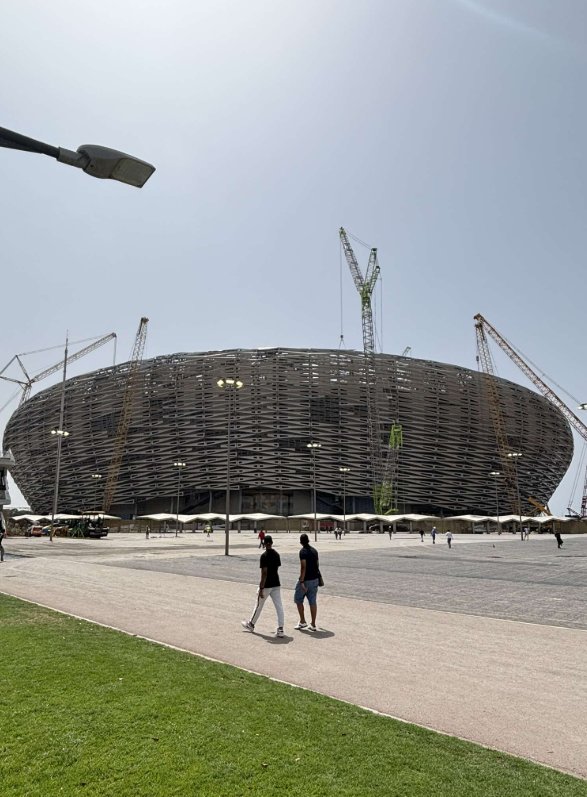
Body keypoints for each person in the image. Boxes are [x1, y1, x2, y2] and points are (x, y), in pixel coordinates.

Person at [241, 536, 284, 637]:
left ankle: (251, 624)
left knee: (259, 605)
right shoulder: (276, 554)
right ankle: (281, 629)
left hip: (267, 585)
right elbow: (276, 568)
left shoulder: (264, 556)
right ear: (272, 543)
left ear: (264, 544)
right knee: (279, 606)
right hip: (276, 583)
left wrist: (261, 588)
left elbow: (264, 573)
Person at [294, 533, 321, 631]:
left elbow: (303, 567)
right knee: (312, 601)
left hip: (305, 580)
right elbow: (317, 564)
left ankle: (302, 621)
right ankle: (313, 624)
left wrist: (301, 581)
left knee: (298, 600)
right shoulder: (314, 551)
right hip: (315, 579)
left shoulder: (303, 552)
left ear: (301, 542)